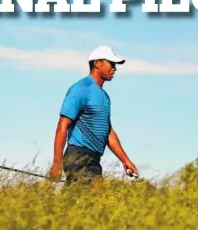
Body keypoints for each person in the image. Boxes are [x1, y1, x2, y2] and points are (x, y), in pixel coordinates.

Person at [48, 45, 138, 185]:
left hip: (94, 158)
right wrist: (57, 163)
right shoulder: (81, 89)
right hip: (78, 155)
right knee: (98, 199)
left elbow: (107, 132)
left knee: (79, 203)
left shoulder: (104, 96)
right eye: (111, 63)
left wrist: (125, 160)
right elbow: (62, 125)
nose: (114, 68)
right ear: (97, 63)